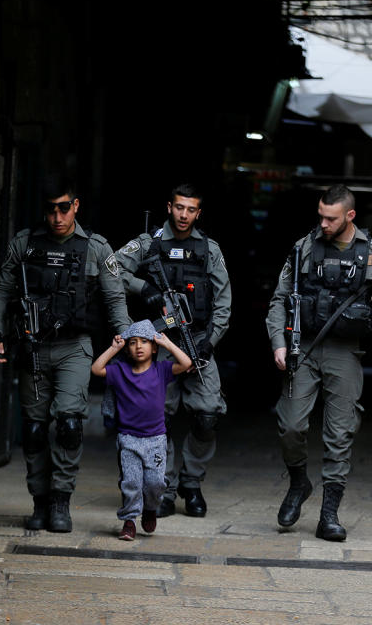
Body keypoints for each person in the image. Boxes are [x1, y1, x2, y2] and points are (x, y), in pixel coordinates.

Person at [0, 174, 130, 533]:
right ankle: (39, 500)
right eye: (50, 210)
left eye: (64, 208)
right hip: (33, 348)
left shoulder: (95, 247)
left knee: (68, 424)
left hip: (74, 349)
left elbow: (114, 299)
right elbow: (3, 290)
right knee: (34, 429)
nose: (57, 217)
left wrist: (126, 341)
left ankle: (61, 501)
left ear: (75, 206)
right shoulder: (25, 244)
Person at [266, 184, 372, 541]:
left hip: (346, 352)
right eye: (320, 216)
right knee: (291, 425)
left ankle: (329, 514)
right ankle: (299, 483)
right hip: (305, 348)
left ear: (350, 216)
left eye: (331, 218)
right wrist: (279, 343)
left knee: (339, 432)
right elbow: (279, 299)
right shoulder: (304, 247)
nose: (323, 223)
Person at [114, 183, 231, 518]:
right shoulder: (149, 243)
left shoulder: (209, 249)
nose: (184, 215)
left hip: (197, 344)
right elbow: (111, 269)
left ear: (198, 212)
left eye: (191, 209)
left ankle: (191, 484)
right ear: (169, 207)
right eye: (179, 207)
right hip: (158, 346)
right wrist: (142, 287)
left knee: (207, 417)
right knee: (155, 418)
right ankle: (160, 486)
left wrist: (210, 342)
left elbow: (224, 303)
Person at [91, 320, 192, 540]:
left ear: (153, 347)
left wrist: (168, 343)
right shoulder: (120, 371)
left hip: (155, 440)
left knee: (156, 482)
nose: (139, 346)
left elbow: (186, 363)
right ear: (127, 348)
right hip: (129, 440)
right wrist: (113, 348)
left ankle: (150, 509)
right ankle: (129, 521)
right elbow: (96, 368)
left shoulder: (162, 370)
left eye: (145, 342)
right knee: (131, 482)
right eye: (133, 342)